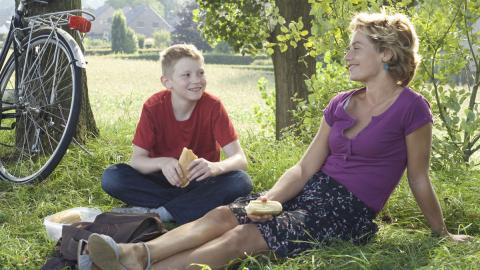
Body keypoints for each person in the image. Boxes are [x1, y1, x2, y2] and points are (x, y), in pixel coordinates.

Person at [86, 12, 471, 270]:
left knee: (243, 236)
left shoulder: (412, 109)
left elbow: (419, 178)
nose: (347, 55)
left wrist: (442, 233)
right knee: (225, 214)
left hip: (346, 210)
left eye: (356, 47)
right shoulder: (340, 103)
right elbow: (304, 167)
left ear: (386, 52)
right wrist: (269, 197)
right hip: (310, 190)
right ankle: (138, 253)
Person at [101, 44, 252, 224]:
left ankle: (159, 213)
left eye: (200, 73)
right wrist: (163, 162)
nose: (196, 80)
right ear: (167, 82)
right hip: (160, 181)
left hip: (200, 182)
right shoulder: (153, 107)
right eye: (186, 75)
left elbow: (240, 160)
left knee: (241, 181)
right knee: (112, 177)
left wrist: (215, 167)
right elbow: (137, 161)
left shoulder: (213, 106)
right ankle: (188, 208)